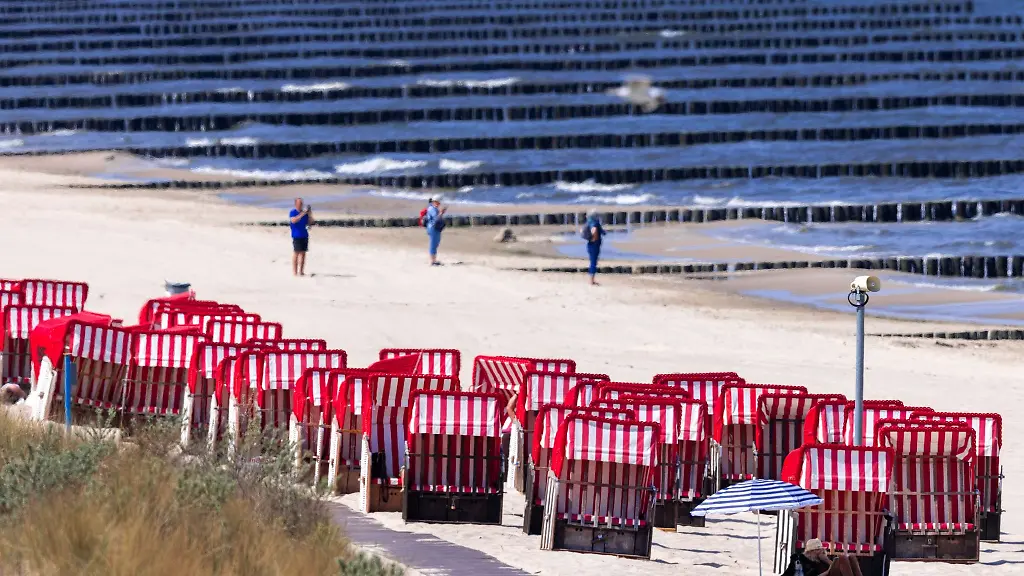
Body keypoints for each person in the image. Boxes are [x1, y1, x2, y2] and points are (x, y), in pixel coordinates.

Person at [782, 539, 864, 576]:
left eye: (822, 549)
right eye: (819, 550)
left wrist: (827, 560)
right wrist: (827, 572)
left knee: (851, 557)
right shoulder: (801, 561)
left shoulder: (821, 559)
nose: (822, 551)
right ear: (811, 551)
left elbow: (835, 568)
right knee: (842, 558)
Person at [289, 197, 313, 276]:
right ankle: (295, 272)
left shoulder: (305, 213)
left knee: (303, 253)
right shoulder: (293, 212)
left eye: (301, 203)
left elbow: (310, 223)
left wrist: (309, 214)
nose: (301, 205)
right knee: (296, 253)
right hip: (296, 235)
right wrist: (303, 213)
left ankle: (301, 271)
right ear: (296, 204)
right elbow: (294, 220)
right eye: (299, 203)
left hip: (304, 235)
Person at [582, 209, 606, 285]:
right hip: (594, 245)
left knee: (593, 261)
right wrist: (594, 238)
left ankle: (591, 280)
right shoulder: (594, 223)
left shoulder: (589, 222)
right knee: (593, 262)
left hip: (590, 244)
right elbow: (594, 230)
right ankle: (592, 280)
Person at [425, 198, 447, 266]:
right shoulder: (432, 209)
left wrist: (441, 212)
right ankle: (433, 261)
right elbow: (436, 218)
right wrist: (441, 212)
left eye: (439, 202)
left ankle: (434, 260)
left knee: (436, 243)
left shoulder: (433, 208)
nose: (439, 204)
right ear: (434, 202)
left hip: (434, 228)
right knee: (433, 244)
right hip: (433, 228)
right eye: (437, 202)